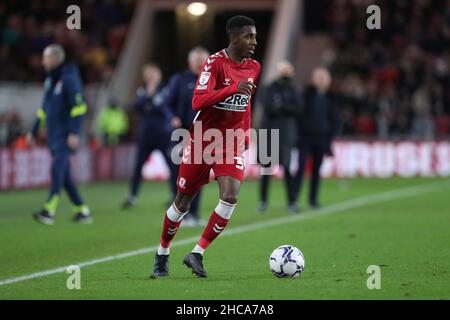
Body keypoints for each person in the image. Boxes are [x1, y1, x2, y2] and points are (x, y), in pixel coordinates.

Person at [151, 15, 260, 278]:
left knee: (231, 196)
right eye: (249, 36)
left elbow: (245, 104)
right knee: (182, 203)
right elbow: (197, 102)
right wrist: (232, 88)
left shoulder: (254, 66)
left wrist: (245, 134)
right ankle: (162, 253)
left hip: (231, 141)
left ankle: (197, 253)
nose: (254, 41)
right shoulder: (214, 63)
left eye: (255, 36)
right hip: (203, 139)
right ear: (233, 38)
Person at [27, 44, 92, 225]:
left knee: (57, 170)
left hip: (65, 135)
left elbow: (79, 107)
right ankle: (82, 210)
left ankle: (49, 210)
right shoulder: (51, 80)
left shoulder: (69, 78)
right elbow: (43, 109)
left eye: (45, 58)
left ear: (55, 59)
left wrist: (74, 132)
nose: (42, 61)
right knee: (64, 176)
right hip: (54, 136)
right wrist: (33, 131)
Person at [121, 64, 181, 209]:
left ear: (158, 74)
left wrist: (149, 105)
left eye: (152, 73)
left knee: (172, 165)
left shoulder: (166, 89)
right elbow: (136, 107)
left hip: (163, 134)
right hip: (146, 134)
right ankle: (132, 196)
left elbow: (162, 107)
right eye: (147, 74)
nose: (150, 77)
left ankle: (176, 196)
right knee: (138, 166)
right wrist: (149, 97)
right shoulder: (142, 90)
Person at [163, 47, 209, 227]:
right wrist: (172, 117)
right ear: (190, 62)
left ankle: (195, 214)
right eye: (197, 59)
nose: (200, 62)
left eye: (203, 59)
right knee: (179, 175)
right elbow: (166, 104)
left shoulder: (212, 80)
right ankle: (180, 214)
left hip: (203, 133)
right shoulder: (179, 79)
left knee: (199, 175)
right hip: (180, 133)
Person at [258, 61, 301, 214]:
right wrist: (284, 107)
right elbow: (268, 106)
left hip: (285, 134)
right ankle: (263, 201)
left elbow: (298, 108)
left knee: (288, 169)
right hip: (269, 132)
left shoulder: (294, 89)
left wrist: (281, 105)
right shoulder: (269, 88)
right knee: (266, 169)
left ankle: (292, 201)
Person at [293, 67, 339, 210]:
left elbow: (333, 119)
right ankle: (293, 199)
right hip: (305, 138)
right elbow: (298, 114)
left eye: (324, 78)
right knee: (301, 168)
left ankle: (313, 200)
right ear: (313, 79)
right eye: (319, 77)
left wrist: (329, 138)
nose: (322, 80)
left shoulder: (330, 97)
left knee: (316, 170)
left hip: (321, 139)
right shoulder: (306, 94)